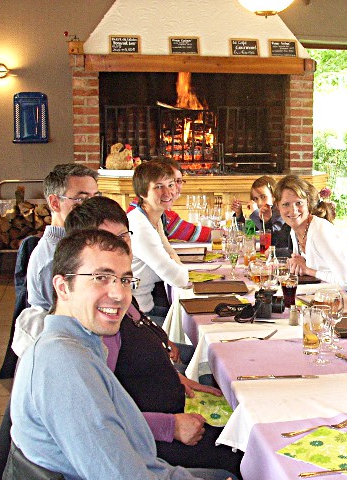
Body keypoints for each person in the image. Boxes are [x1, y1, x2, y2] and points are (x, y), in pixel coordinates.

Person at [10, 229, 234, 480]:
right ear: (63, 288)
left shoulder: (81, 347)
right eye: (101, 278)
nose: (119, 294)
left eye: (125, 280)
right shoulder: (65, 366)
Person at [65, 197, 243, 476]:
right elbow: (101, 419)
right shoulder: (99, 323)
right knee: (245, 456)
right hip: (155, 440)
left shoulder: (122, 294)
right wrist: (170, 426)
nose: (120, 247)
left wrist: (177, 377)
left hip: (177, 411)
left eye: (123, 237)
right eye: (107, 241)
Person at [25, 163, 100, 311]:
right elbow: (70, 316)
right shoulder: (52, 261)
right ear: (55, 203)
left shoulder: (80, 241)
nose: (93, 207)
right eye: (81, 199)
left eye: (95, 198)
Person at [128, 161, 189, 319]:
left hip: (147, 304)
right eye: (158, 187)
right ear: (142, 193)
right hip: (138, 314)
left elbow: (170, 252)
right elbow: (179, 278)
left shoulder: (154, 218)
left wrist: (173, 261)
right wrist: (175, 264)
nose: (168, 193)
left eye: (170, 185)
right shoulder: (140, 226)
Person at [275, 175, 347, 287]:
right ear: (278, 206)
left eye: (298, 203)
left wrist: (308, 270)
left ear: (308, 203)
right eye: (286, 204)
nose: (293, 210)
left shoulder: (320, 232)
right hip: (322, 294)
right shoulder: (294, 231)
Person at [129, 158, 212, 242]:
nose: (173, 188)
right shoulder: (147, 212)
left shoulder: (156, 211)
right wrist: (223, 233)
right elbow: (196, 234)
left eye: (178, 181)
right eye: (160, 185)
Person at [231, 175, 291, 255]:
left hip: (279, 255)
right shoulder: (262, 212)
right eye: (255, 199)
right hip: (264, 252)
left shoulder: (280, 212)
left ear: (274, 196)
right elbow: (247, 232)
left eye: (263, 197)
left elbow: (273, 239)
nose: (259, 203)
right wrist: (239, 214)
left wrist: (255, 212)